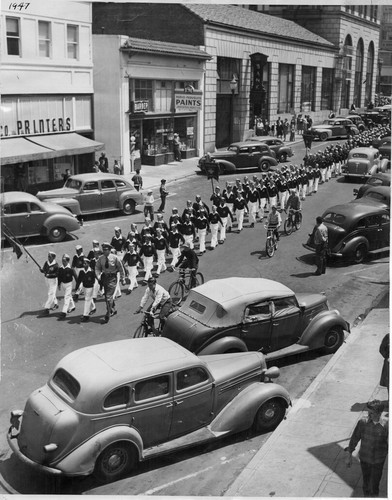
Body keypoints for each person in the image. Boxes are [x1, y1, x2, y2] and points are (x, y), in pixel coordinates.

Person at [345, 400, 388, 498]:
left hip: (378, 461)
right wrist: (349, 455)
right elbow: (354, 439)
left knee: (374, 486)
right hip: (365, 459)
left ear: (379, 413)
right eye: (368, 412)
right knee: (366, 484)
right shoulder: (362, 423)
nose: (369, 415)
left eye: (371, 413)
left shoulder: (386, 425)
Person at [95, 242, 126, 323]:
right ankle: (113, 309)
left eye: (106, 250)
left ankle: (108, 313)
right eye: (103, 249)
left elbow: (121, 268)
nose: (104, 251)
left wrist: (123, 278)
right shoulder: (101, 258)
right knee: (107, 296)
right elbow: (97, 267)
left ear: (109, 250)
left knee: (108, 296)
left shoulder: (115, 258)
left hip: (112, 278)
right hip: (104, 278)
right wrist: (98, 276)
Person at [75, 257, 97, 322]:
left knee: (87, 300)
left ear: (88, 264)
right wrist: (77, 291)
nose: (84, 264)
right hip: (85, 287)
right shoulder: (82, 272)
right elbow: (79, 281)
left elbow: (93, 281)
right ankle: (93, 308)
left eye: (85, 263)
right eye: (83, 263)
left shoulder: (92, 272)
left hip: (90, 287)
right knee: (88, 298)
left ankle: (85, 315)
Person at [40, 251, 59, 316]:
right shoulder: (46, 263)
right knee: (51, 293)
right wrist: (42, 270)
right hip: (47, 280)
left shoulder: (56, 265)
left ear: (53, 257)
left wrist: (49, 275)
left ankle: (47, 308)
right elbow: (44, 270)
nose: (48, 258)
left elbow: (56, 274)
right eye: (48, 256)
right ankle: (56, 304)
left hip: (53, 281)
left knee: (50, 294)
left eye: (50, 257)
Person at [57, 254, 76, 319]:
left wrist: (77, 286)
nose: (63, 262)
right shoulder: (61, 268)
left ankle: (64, 312)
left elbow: (76, 277)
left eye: (64, 261)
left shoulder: (70, 269)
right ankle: (73, 306)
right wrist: (59, 284)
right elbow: (59, 277)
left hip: (69, 284)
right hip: (63, 284)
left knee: (66, 298)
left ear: (68, 261)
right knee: (69, 295)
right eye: (62, 260)